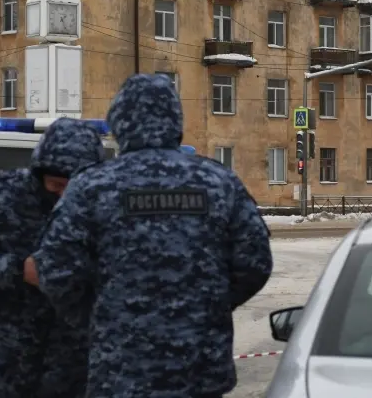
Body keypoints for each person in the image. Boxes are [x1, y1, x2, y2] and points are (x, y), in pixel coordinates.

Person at [30, 74, 273, 398]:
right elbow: (255, 262)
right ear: (175, 121)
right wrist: (209, 305)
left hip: (121, 370)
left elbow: (56, 270)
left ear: (119, 122)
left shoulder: (92, 186)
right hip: (199, 370)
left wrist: (101, 316)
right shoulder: (218, 181)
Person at [0, 118, 104, 398]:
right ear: (39, 174)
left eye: (74, 188)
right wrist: (17, 270)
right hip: (4, 364)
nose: (64, 196)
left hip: (77, 367)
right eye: (56, 185)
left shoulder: (103, 208)